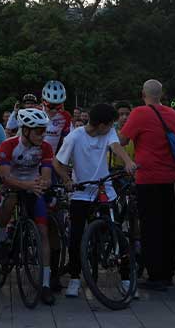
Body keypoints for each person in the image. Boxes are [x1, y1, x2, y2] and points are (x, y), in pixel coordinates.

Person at [54, 103, 136, 298]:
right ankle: (75, 278)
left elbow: (116, 147)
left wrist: (128, 162)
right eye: (110, 125)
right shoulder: (74, 137)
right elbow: (57, 162)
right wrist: (67, 180)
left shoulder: (108, 133)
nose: (112, 128)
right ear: (101, 125)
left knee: (118, 233)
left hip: (105, 190)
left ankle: (126, 279)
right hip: (81, 192)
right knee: (76, 236)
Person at [117, 79, 175, 290]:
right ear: (162, 94)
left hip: (148, 178)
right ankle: (168, 273)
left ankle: (155, 275)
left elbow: (121, 140)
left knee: (150, 227)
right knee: (170, 226)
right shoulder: (174, 115)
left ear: (143, 94)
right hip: (173, 178)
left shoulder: (139, 113)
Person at [0, 107, 58, 305]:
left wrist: (43, 183)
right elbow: (5, 177)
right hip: (12, 185)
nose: (43, 135)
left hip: (33, 187)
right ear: (26, 130)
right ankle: (1, 237)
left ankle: (46, 284)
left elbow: (46, 175)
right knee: (10, 199)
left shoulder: (45, 147)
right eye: (39, 131)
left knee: (43, 231)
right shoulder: (8, 146)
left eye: (44, 131)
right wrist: (27, 185)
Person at [39, 80, 72, 154]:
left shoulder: (66, 116)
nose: (54, 110)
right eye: (50, 106)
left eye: (58, 107)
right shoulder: (36, 112)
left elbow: (65, 142)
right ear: (43, 102)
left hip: (51, 158)